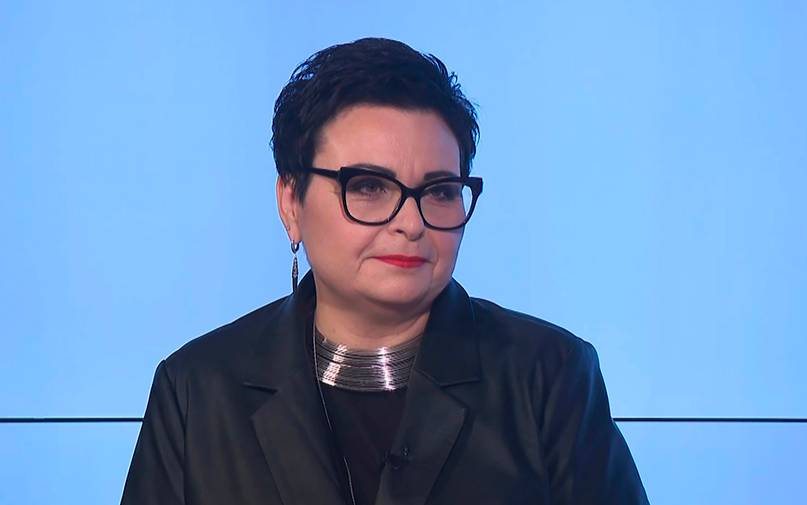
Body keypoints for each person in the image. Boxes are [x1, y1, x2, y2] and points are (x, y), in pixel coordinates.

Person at [121, 37, 649, 505]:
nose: (411, 223)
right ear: (291, 202)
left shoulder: (550, 375)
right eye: (369, 187)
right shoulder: (197, 388)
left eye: (439, 191)